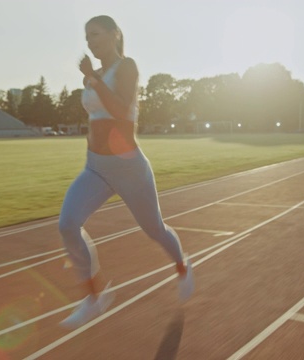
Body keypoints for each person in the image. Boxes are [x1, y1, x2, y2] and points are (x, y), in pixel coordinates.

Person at [58, 15, 194, 329]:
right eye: (86, 37)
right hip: (96, 167)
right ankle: (94, 298)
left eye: (95, 34)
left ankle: (183, 266)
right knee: (68, 224)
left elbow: (120, 110)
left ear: (114, 35)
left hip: (129, 168)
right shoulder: (94, 75)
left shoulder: (126, 66)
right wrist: (92, 78)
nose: (90, 42)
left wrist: (92, 78)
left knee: (154, 230)